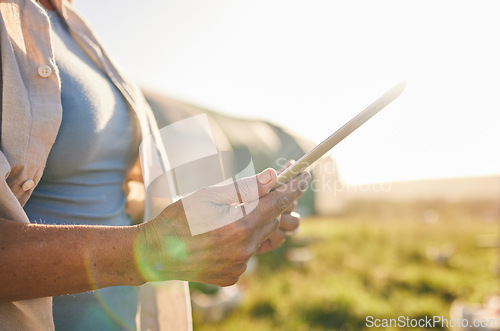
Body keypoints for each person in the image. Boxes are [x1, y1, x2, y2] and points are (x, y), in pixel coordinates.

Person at [0, 0, 310, 329]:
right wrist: (149, 249)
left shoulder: (75, 28)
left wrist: (218, 227)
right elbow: (141, 242)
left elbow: (112, 194)